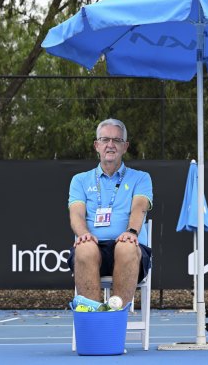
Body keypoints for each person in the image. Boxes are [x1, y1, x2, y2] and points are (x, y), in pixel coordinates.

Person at [67, 118, 153, 308]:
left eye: (117, 140)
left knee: (127, 246)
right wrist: (83, 235)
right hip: (95, 247)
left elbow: (139, 207)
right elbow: (76, 215)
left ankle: (115, 321)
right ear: (97, 145)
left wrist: (131, 232)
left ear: (125, 147)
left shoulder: (141, 178)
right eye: (105, 140)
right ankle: (93, 324)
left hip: (130, 250)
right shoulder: (79, 180)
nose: (111, 145)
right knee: (85, 248)